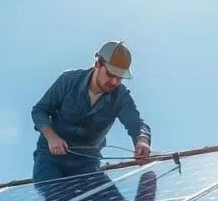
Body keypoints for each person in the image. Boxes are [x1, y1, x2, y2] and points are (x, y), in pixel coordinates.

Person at [30, 40, 152, 182]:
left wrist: (142, 141)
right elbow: (39, 110)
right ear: (98, 64)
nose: (114, 82)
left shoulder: (121, 96)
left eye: (119, 77)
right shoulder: (68, 80)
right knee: (52, 199)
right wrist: (51, 137)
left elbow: (137, 125)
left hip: (86, 164)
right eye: (111, 74)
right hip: (50, 160)